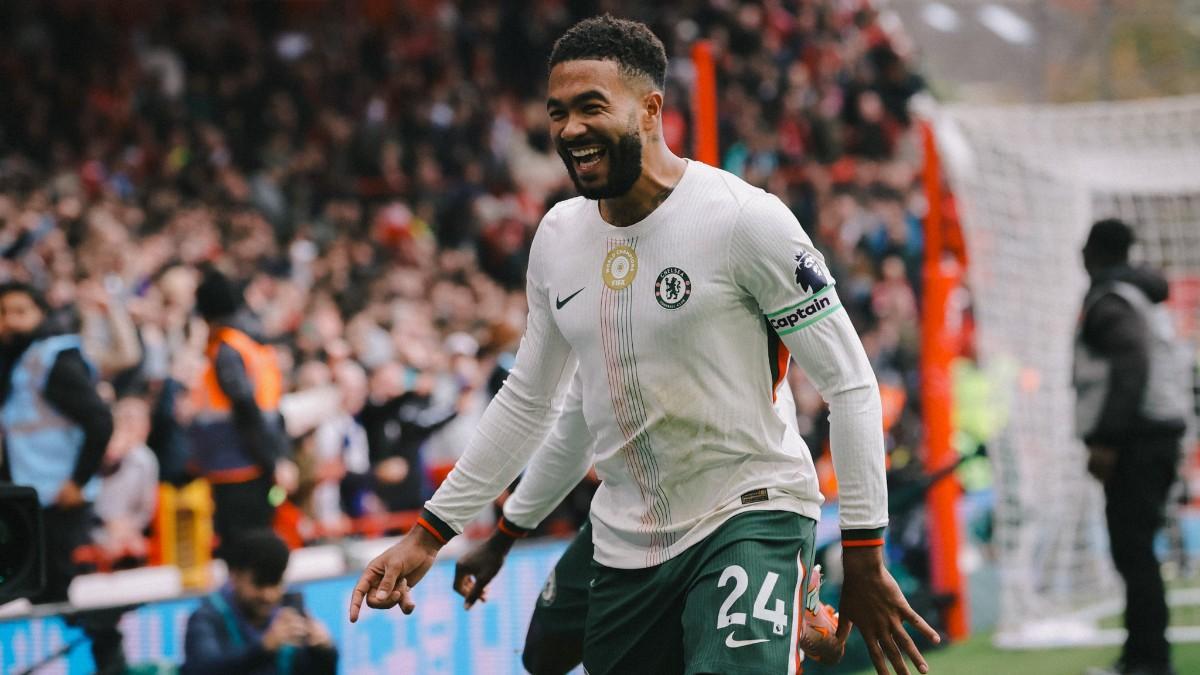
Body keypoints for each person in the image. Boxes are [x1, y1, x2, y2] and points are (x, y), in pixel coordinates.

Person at [350, 16, 937, 675]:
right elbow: (533, 402)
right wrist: (436, 532)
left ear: (651, 109)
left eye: (590, 106)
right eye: (558, 112)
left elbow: (851, 383)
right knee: (542, 654)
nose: (569, 129)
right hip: (629, 540)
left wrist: (863, 550)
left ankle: (792, 595)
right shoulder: (557, 237)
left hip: (748, 512)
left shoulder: (745, 219)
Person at [453, 375, 844, 674]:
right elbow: (568, 439)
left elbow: (844, 379)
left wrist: (865, 540)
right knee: (542, 654)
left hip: (738, 505)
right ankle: (791, 614)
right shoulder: (594, 299)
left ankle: (785, 609)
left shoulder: (718, 278)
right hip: (634, 507)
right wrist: (504, 536)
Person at [1075, 219, 1190, 675]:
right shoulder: (1140, 296)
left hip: (1137, 441)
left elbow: (1131, 366)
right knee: (1137, 549)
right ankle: (1143, 655)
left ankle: (1148, 660)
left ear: (1096, 252)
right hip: (1158, 432)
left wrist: (1106, 440)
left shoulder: (1112, 302)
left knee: (1134, 551)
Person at [0, 281, 125, 672]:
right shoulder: (17, 364)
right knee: (43, 599)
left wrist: (77, 479)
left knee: (64, 600)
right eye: (3, 313)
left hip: (60, 504)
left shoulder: (53, 359)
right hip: (32, 503)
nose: (9, 321)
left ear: (40, 313)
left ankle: (110, 659)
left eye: (20, 311)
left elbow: (100, 421)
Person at [186, 268, 288, 558]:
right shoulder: (252, 343)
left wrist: (272, 461)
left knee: (244, 551)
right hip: (253, 462)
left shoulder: (226, 350)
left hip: (238, 466)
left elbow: (246, 408)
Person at [182, 529, 338, 675]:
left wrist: (324, 652)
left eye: (275, 583)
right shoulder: (206, 618)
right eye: (259, 584)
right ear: (234, 576)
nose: (268, 595)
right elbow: (201, 669)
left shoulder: (290, 611)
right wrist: (264, 648)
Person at [94, 394, 160, 563]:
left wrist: (128, 529)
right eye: (125, 418)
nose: (131, 425)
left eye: (138, 419)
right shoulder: (94, 451)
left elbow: (146, 508)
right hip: (95, 529)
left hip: (130, 532)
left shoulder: (145, 459)